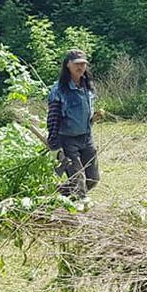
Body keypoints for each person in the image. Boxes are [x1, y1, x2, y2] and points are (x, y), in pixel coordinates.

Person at [46, 50, 100, 198]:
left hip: (86, 138)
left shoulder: (87, 86)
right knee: (78, 181)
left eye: (83, 64)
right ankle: (80, 212)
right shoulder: (59, 90)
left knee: (93, 179)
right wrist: (54, 143)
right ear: (68, 65)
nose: (80, 67)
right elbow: (53, 118)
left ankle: (60, 194)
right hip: (67, 140)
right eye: (77, 64)